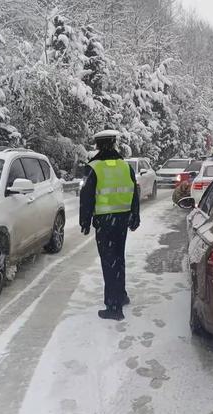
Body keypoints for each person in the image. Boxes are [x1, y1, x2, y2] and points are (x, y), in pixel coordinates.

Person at [80, 130, 140, 321]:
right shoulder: (124, 166)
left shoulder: (93, 167)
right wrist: (135, 215)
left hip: (105, 221)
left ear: (97, 145)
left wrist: (85, 221)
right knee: (118, 259)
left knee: (109, 261)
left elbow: (86, 197)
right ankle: (121, 296)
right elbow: (134, 192)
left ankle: (113, 307)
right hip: (122, 219)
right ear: (114, 144)